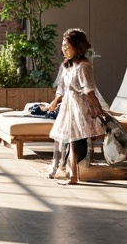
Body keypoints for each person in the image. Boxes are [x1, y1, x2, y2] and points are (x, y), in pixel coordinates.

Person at [40, 28, 106, 184]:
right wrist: (54, 103)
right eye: (63, 45)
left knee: (75, 139)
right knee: (63, 137)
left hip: (80, 108)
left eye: (67, 46)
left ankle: (74, 176)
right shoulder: (66, 65)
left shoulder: (84, 66)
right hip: (68, 107)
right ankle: (62, 169)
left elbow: (89, 91)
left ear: (78, 47)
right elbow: (61, 89)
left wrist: (97, 110)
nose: (64, 49)